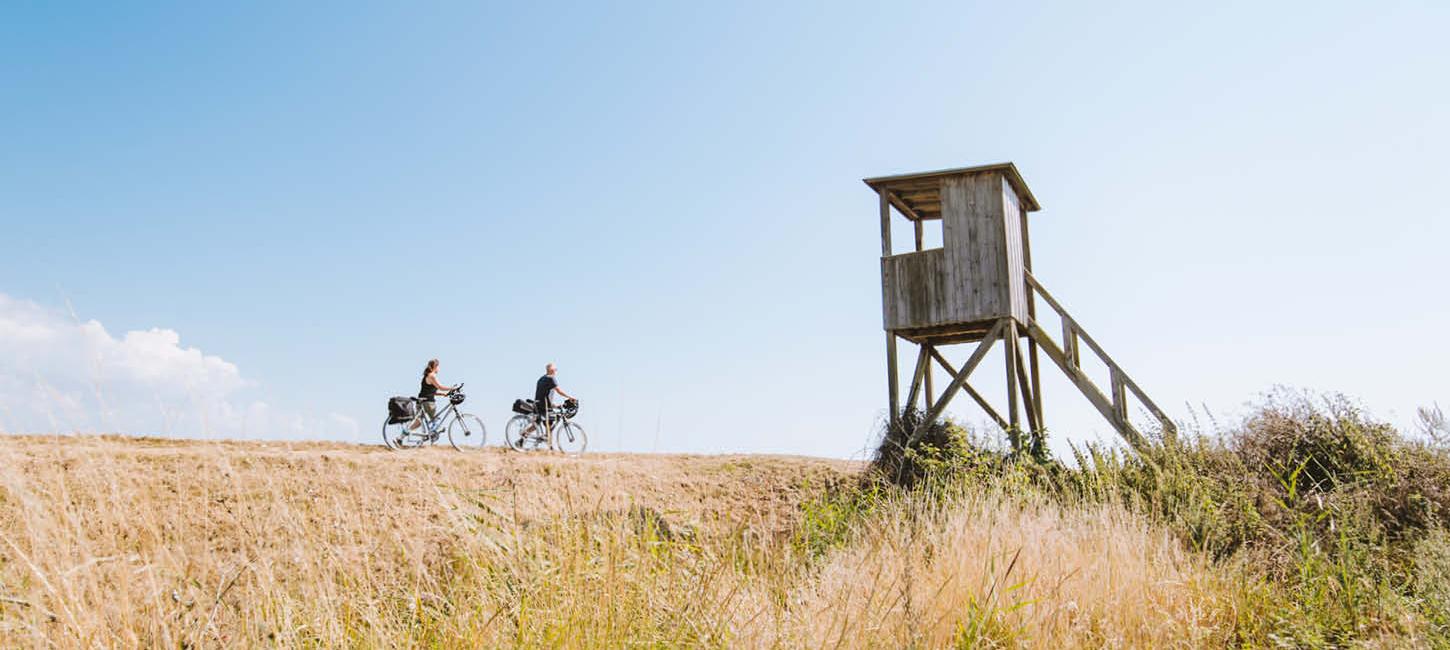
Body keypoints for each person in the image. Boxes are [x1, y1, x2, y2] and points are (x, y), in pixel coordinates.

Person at [412, 358, 455, 431]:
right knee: (436, 421)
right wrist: (452, 388)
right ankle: (432, 433)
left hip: (420, 401)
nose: (439, 369)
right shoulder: (432, 376)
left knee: (418, 422)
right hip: (428, 403)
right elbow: (440, 387)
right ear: (435, 366)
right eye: (438, 366)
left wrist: (442, 394)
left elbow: (429, 391)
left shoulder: (426, 376)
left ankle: (401, 437)